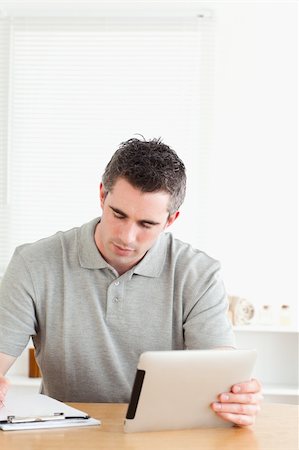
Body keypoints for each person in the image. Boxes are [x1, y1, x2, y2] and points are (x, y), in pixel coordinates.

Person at [0, 137, 262, 426]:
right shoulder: (33, 262)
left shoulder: (199, 274)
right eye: (118, 214)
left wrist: (237, 399)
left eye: (146, 224)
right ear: (102, 196)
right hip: (64, 433)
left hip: (161, 433)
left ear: (171, 220)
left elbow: (219, 374)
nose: (126, 236)